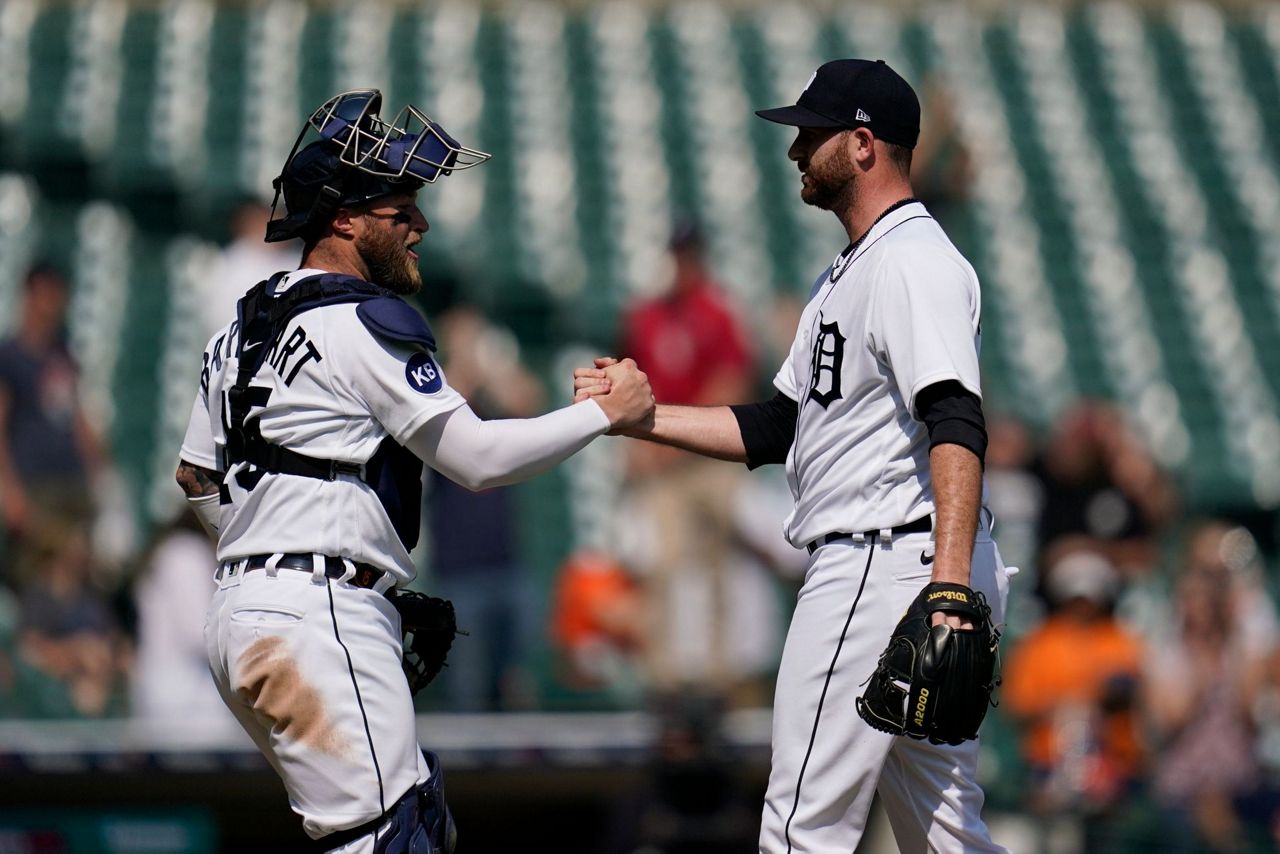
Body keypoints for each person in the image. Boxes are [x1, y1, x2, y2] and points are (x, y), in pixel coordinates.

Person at [174, 89, 654, 852]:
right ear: (344, 220)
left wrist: (264, 555)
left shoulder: (237, 327)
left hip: (241, 614)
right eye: (401, 211)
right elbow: (478, 460)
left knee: (390, 823)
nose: (421, 226)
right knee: (395, 836)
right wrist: (608, 414)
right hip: (313, 611)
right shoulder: (357, 320)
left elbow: (196, 476)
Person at [576, 59, 1009, 852]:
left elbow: (956, 417)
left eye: (812, 134)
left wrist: (948, 588)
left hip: (884, 561)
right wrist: (639, 419)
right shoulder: (850, 269)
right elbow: (778, 427)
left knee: (801, 824)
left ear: (865, 144)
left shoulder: (913, 259)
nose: (796, 150)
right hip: (903, 558)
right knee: (946, 832)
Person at [0, 264, 106, 589]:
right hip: (34, 487)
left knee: (75, 582)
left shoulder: (61, 355)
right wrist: (8, 489)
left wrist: (99, 471)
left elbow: (76, 419)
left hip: (70, 485)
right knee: (39, 582)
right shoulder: (10, 356)